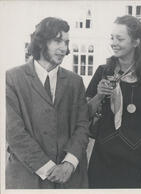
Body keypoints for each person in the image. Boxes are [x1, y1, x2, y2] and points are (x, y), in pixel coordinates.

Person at [6, 17, 90, 189]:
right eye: (57, 41)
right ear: (41, 42)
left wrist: (68, 164)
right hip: (26, 179)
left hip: (70, 179)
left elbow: (82, 126)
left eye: (66, 42)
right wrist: (50, 169)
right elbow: (13, 132)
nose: (63, 48)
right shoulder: (12, 79)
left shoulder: (75, 82)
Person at [85, 15, 141, 188]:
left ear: (136, 42)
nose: (113, 43)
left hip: (134, 159)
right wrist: (98, 95)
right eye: (112, 38)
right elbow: (85, 114)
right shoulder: (103, 71)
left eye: (120, 38)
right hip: (102, 158)